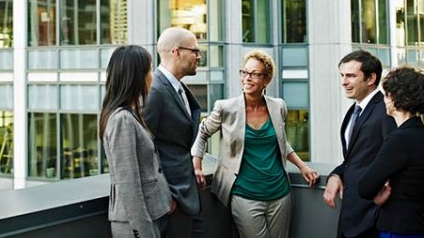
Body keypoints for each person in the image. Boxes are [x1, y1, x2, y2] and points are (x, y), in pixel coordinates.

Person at [191, 50, 319, 238]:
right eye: (244, 72)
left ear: (266, 80)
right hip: (245, 195)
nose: (247, 78)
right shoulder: (225, 107)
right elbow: (202, 134)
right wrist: (197, 166)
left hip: (280, 193)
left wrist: (302, 167)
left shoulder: (278, 106)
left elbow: (282, 143)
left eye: (255, 74)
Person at [100, 45, 173, 238]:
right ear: (136, 77)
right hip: (137, 223)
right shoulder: (121, 120)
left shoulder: (131, 114)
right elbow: (128, 183)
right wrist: (143, 231)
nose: (153, 75)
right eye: (149, 69)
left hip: (153, 214)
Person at [358, 67, 424, 238]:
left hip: (400, 230)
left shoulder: (400, 139)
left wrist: (378, 195)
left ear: (395, 98)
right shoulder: (420, 135)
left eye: (386, 94)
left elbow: (365, 187)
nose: (384, 100)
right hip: (419, 227)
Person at [323, 50, 397, 238]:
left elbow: (394, 161)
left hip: (372, 218)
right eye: (342, 75)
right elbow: (356, 158)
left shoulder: (385, 111)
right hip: (351, 214)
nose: (344, 81)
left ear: (371, 78)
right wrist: (336, 174)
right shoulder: (353, 111)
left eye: (351, 76)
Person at [144, 27, 204, 237]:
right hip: (171, 202)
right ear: (177, 52)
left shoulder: (177, 87)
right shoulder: (155, 90)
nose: (199, 56)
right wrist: (164, 197)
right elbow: (144, 148)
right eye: (195, 51)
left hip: (187, 195)